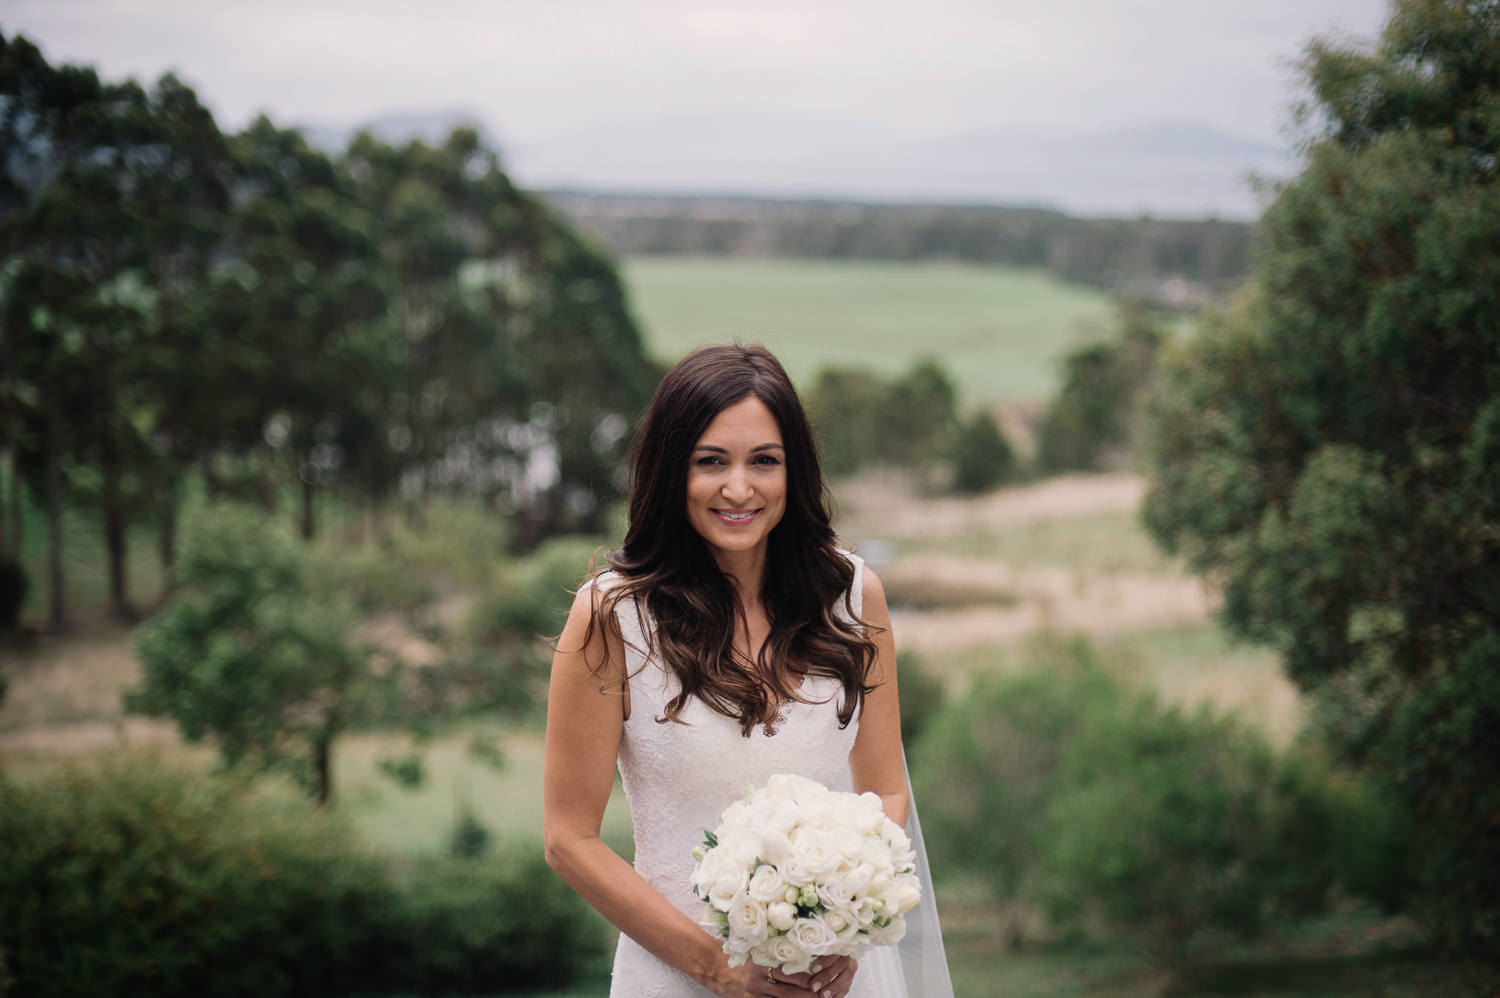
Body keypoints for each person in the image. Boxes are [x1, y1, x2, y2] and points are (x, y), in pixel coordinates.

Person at [544, 344, 951, 998]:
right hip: (674, 978)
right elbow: (570, 840)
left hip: (831, 980)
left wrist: (850, 932)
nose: (740, 488)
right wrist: (716, 966)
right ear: (671, 472)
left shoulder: (853, 596)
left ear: (795, 471)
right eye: (711, 462)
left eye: (764, 461)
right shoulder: (612, 617)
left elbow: (885, 794)